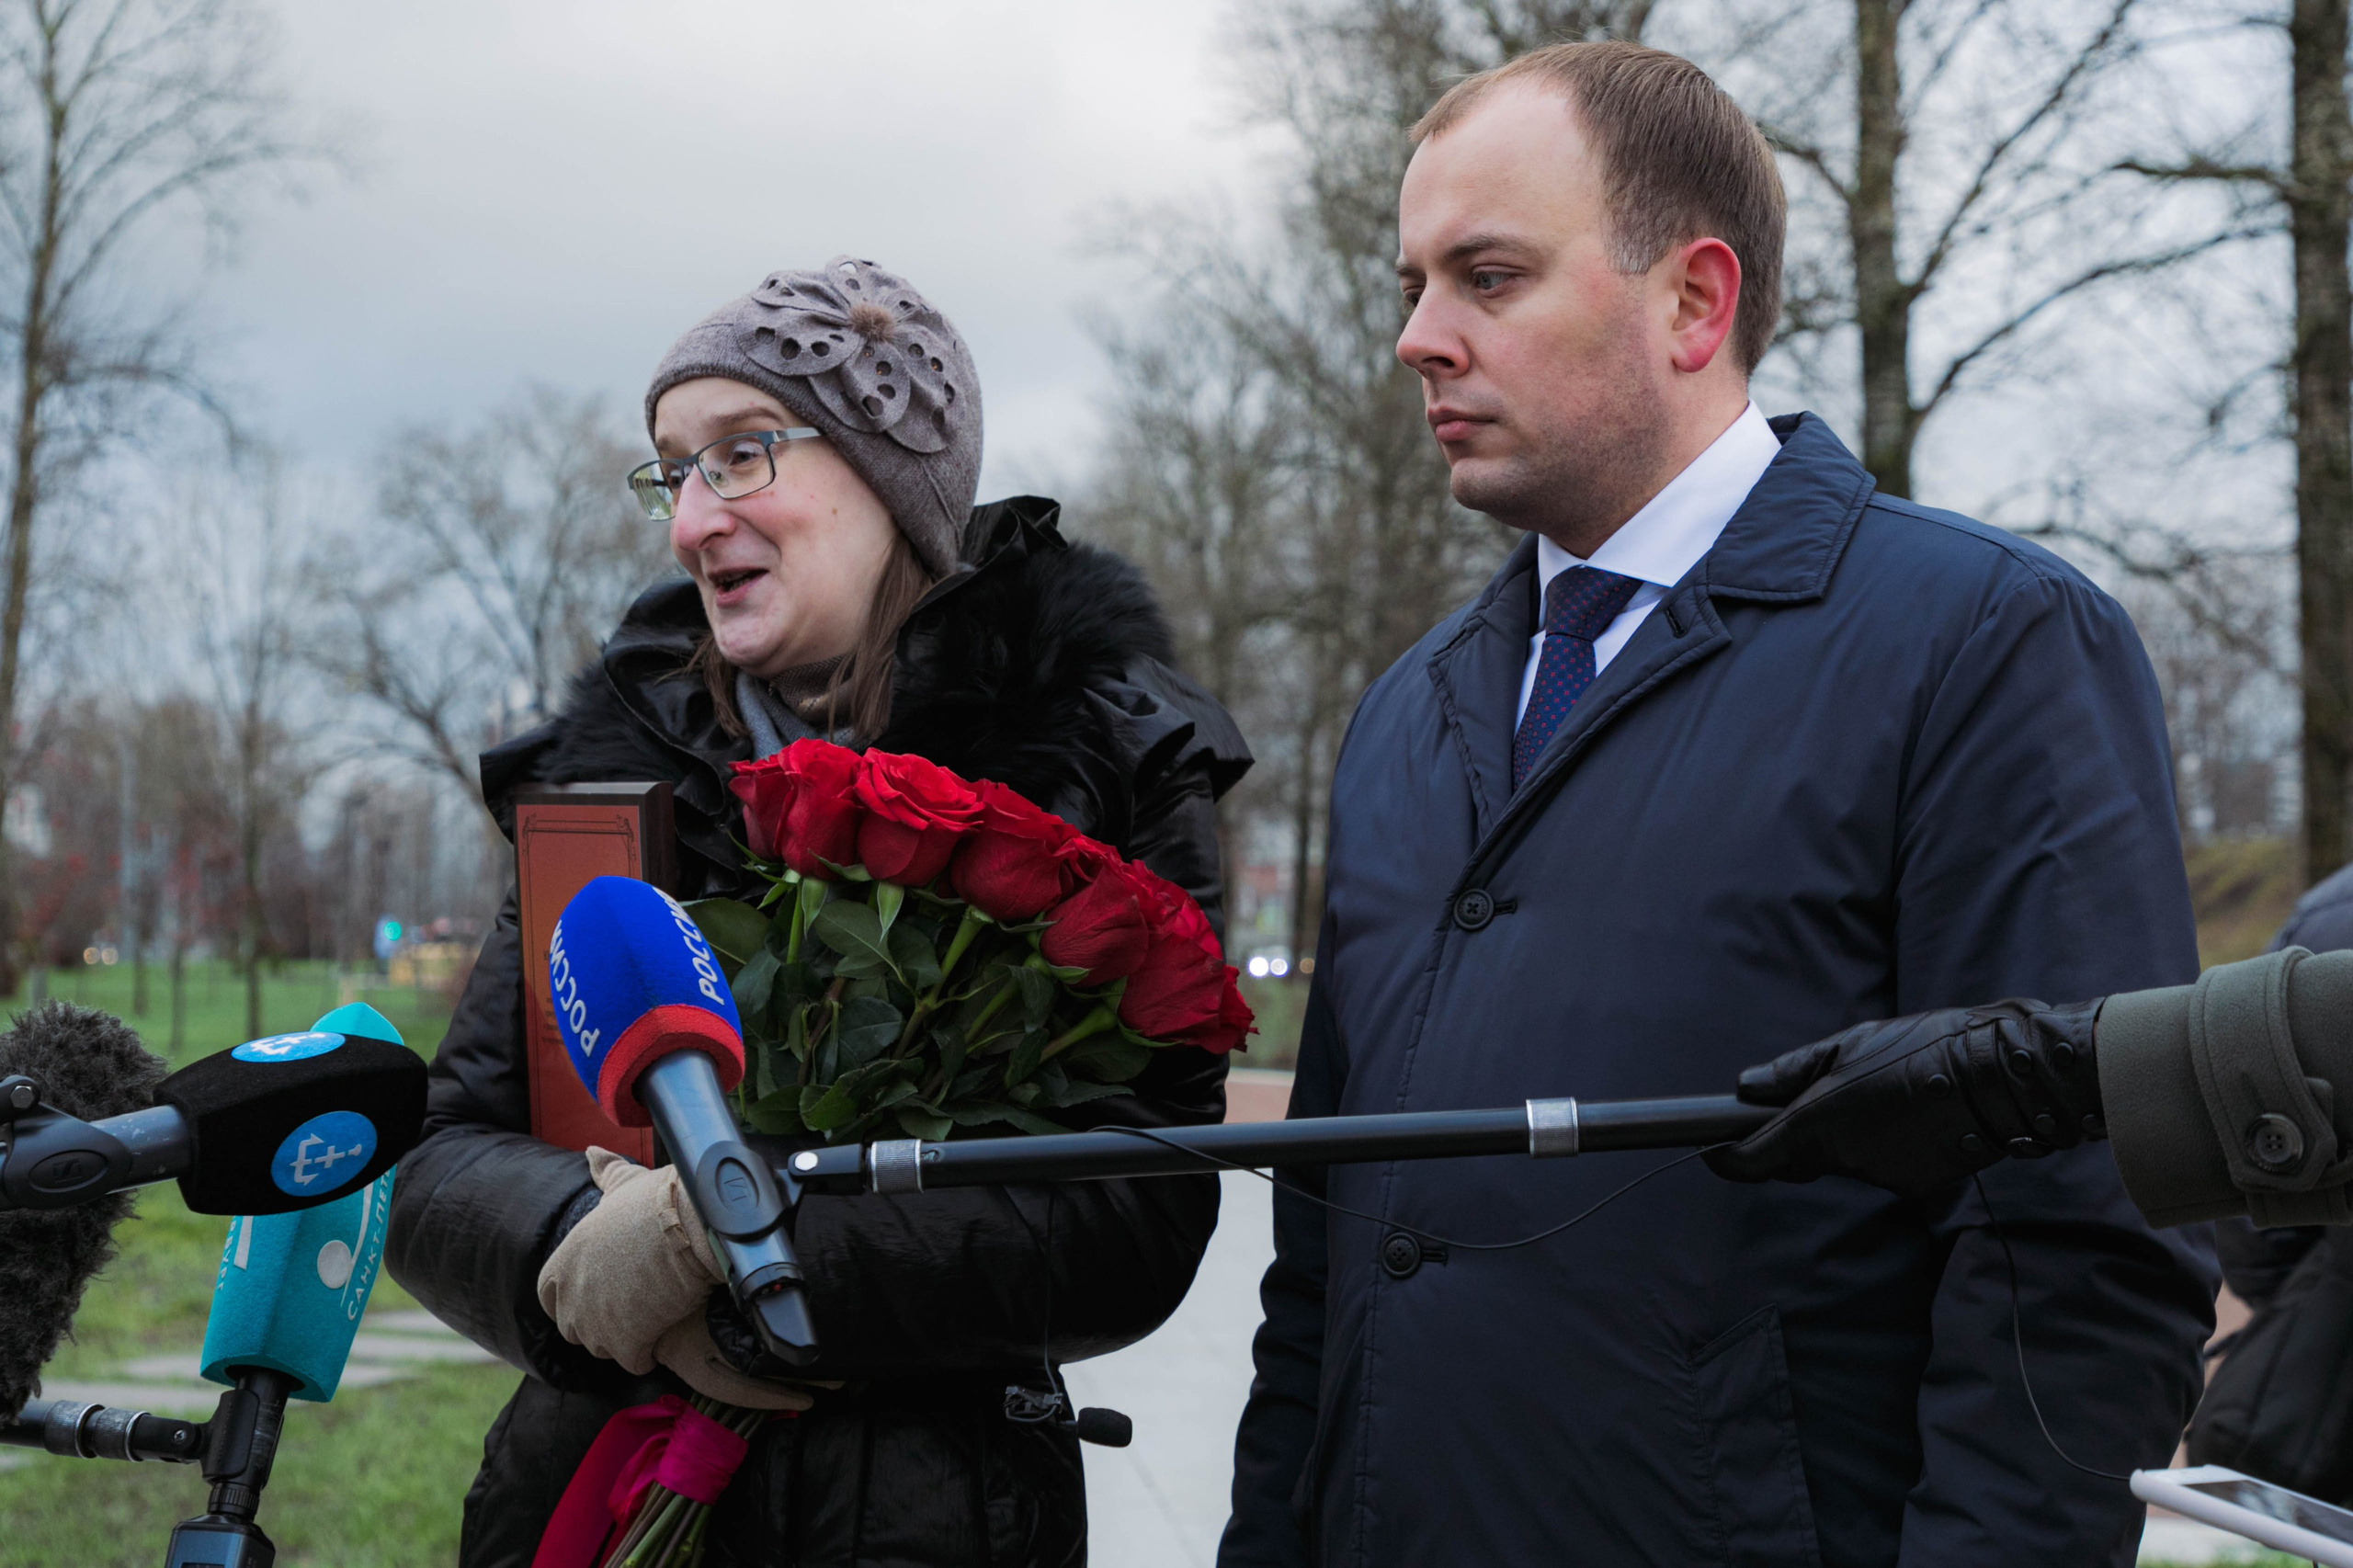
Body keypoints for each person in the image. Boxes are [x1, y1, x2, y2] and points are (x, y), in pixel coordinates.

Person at [1220, 41, 2214, 1568]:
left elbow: (2080, 1255)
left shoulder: (1984, 644)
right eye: (1410, 283)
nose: (1419, 337)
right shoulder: (1404, 716)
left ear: (1695, 298)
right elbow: (1322, 1260)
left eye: (1486, 275)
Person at [384, 256, 1252, 1568]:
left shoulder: (1097, 759)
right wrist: (579, 1245)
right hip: (600, 1489)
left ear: (891, 478)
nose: (689, 520)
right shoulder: (609, 779)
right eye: (673, 470)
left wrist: (750, 1247)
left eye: (740, 455)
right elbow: (448, 1156)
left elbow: (1137, 1207)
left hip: (929, 1520)